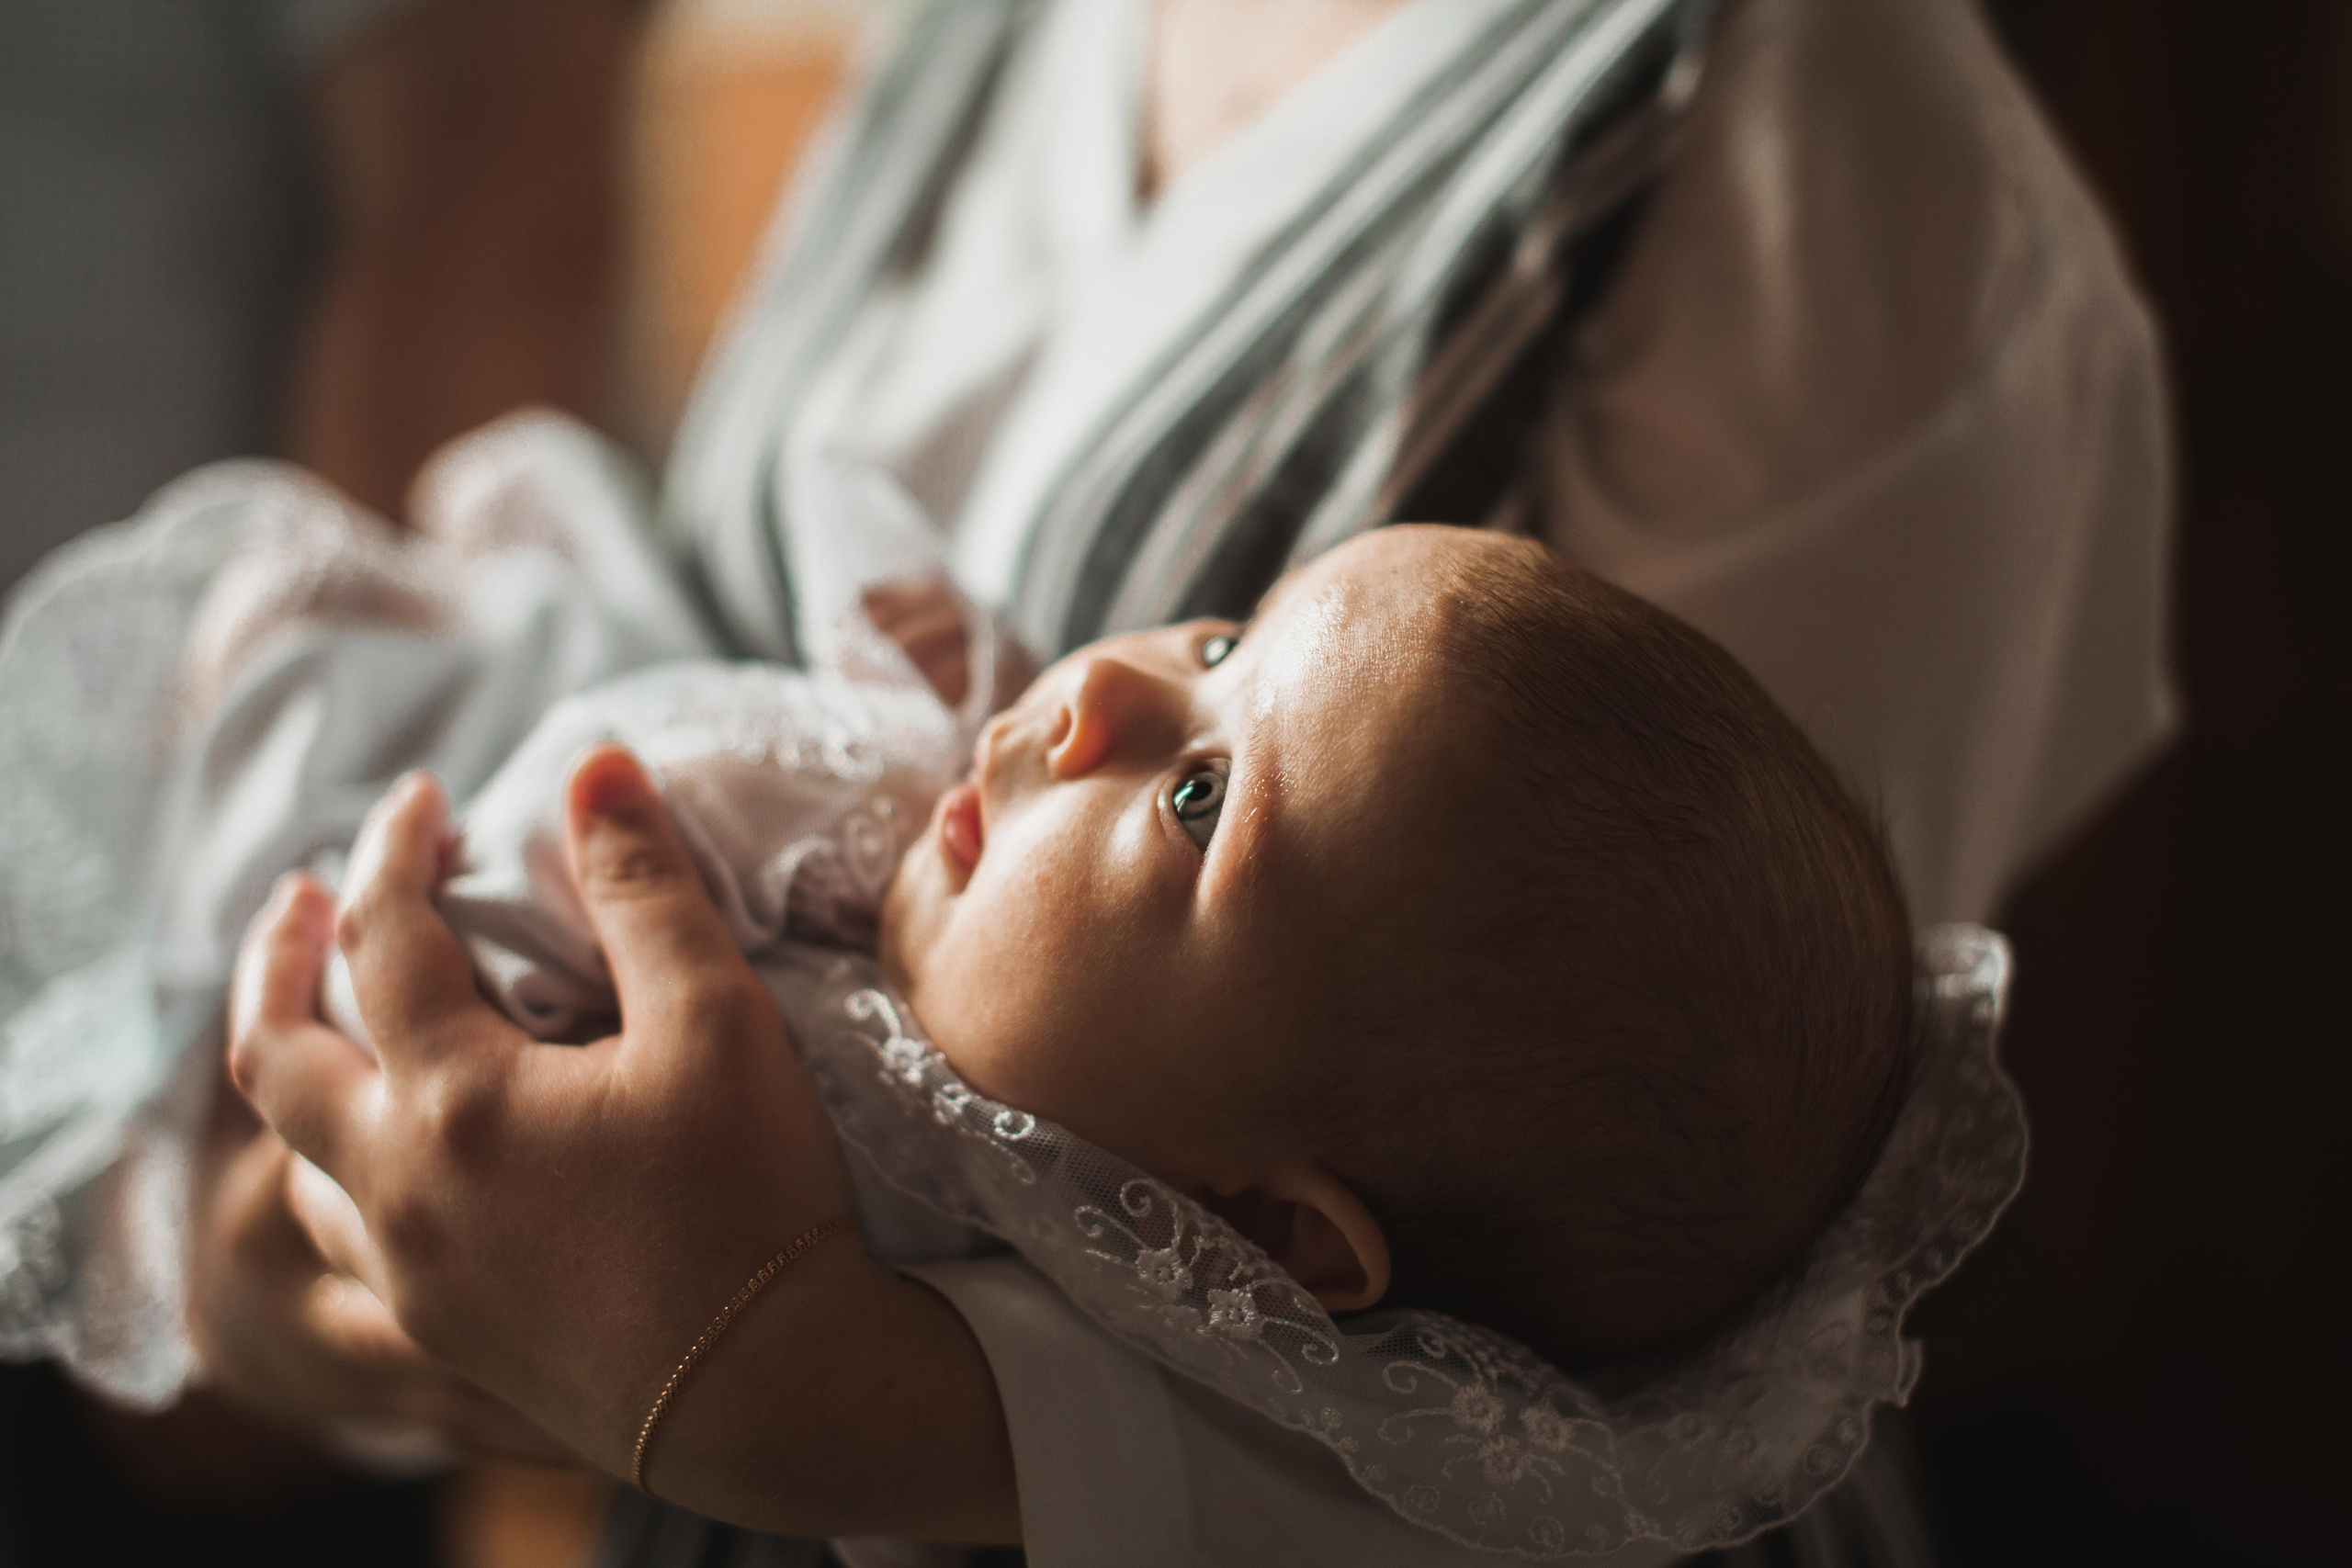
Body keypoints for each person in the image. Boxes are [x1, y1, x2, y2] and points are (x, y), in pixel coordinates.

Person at [13, 0, 2172, 1560]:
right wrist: (299, 1237)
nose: (1093, 704)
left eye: (1206, 796)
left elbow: (1621, 1356)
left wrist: (810, 1392)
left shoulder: (1813, 154)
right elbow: (700, 644)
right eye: (1218, 638)